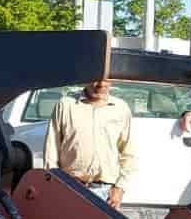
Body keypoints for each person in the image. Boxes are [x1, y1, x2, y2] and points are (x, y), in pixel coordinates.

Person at [44, 79, 136, 207]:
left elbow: (129, 152)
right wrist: (55, 184)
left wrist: (120, 188)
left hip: (106, 192)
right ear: (86, 79)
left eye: (106, 80)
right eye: (96, 79)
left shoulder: (121, 108)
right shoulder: (66, 105)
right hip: (70, 188)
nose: (101, 84)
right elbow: (51, 149)